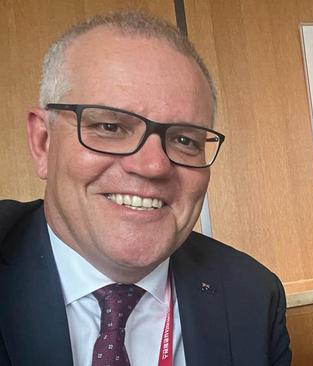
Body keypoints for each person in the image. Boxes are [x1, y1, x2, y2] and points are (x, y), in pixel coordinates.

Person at [0, 11, 291, 366]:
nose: (153, 166)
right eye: (110, 127)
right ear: (43, 143)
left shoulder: (253, 297)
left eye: (184, 139)